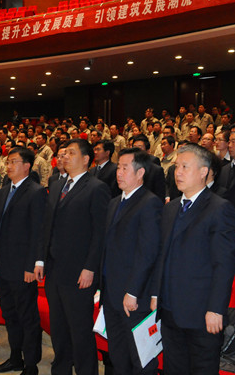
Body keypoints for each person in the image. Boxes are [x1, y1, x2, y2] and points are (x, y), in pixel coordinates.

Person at [151, 143, 235, 374]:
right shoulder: (170, 209)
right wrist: (156, 294)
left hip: (201, 312)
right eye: (177, 166)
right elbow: (162, 256)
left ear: (203, 172)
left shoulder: (219, 208)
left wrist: (216, 309)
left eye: (185, 167)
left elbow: (224, 264)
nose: (177, 172)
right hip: (170, 309)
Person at [34, 138, 110, 375]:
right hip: (54, 269)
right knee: (58, 327)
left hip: (79, 272)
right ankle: (61, 369)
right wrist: (40, 259)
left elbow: (100, 233)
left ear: (86, 159)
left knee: (79, 329)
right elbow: (46, 225)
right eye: (63, 153)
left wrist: (90, 268)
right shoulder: (57, 184)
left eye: (71, 153)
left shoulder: (97, 188)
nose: (64, 157)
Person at [101, 148, 162, 375]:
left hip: (134, 296)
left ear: (140, 173)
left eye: (125, 168)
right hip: (111, 292)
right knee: (118, 355)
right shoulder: (114, 202)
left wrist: (133, 291)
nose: (119, 173)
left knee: (140, 359)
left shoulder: (150, 203)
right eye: (118, 167)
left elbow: (148, 252)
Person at [0, 147, 46, 375]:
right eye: (8, 162)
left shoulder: (36, 192)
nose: (8, 166)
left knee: (27, 317)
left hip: (22, 267)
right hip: (1, 263)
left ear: (26, 166)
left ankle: (31, 364)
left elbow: (38, 232)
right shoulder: (3, 190)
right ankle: (15, 357)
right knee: (10, 314)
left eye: (13, 162)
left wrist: (33, 265)